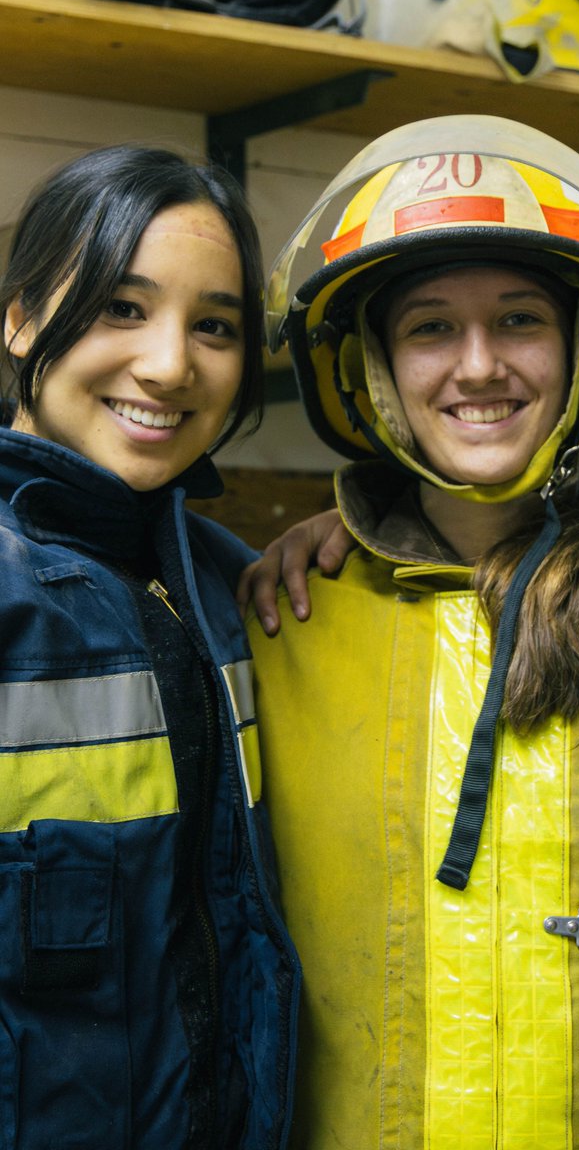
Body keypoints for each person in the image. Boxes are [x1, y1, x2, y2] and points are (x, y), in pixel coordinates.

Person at [247, 114, 579, 1148]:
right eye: (428, 327)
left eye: (520, 319)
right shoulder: (277, 618)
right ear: (375, 367)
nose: (477, 367)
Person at [0, 144, 300, 1148]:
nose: (170, 364)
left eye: (214, 326)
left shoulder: (230, 584)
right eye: (122, 308)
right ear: (21, 317)